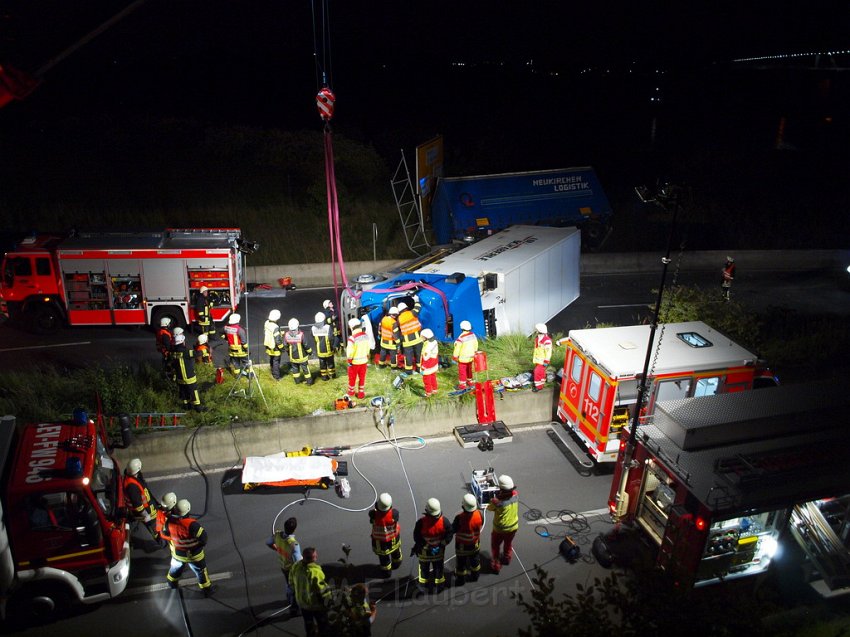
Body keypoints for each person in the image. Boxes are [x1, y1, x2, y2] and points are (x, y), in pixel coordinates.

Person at [165, 499, 214, 596]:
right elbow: (203, 539)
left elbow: (166, 534)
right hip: (194, 555)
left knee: (174, 569)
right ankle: (206, 590)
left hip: (178, 555)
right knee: (201, 572)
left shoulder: (169, 522)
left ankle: (172, 583)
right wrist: (196, 547)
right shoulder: (192, 525)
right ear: (188, 510)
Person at [412, 498, 453, 593]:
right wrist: (442, 544)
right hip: (438, 552)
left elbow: (416, 536)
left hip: (424, 552)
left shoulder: (421, 523)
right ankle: (439, 586)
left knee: (424, 570)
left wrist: (423, 545)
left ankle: (424, 585)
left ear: (427, 510)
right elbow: (450, 533)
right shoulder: (444, 521)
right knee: (438, 569)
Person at [290, 546, 332, 636]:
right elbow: (323, 590)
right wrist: (329, 601)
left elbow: (291, 582)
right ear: (314, 558)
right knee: (323, 625)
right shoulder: (315, 572)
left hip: (302, 603)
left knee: (308, 624)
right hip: (316, 605)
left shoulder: (296, 566)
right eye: (316, 555)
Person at [266, 517, 302, 617]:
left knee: (288, 584)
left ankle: (288, 597)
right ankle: (294, 608)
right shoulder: (293, 544)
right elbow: (298, 561)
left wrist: (277, 549)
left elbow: (268, 543)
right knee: (294, 587)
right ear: (294, 529)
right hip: (291, 569)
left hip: (283, 566)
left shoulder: (277, 534)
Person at [487, 475, 519, 574]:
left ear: (501, 489)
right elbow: (508, 494)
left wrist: (494, 499)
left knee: (495, 546)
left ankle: (496, 565)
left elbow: (489, 508)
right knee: (508, 543)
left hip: (500, 529)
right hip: (513, 527)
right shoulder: (516, 495)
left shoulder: (497, 502)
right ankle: (506, 558)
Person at [124, 458, 160, 543]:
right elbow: (138, 505)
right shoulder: (132, 486)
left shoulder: (134, 476)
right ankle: (160, 540)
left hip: (149, 505)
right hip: (146, 511)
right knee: (153, 527)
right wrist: (145, 515)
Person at [369, 492, 402, 574]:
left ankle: (386, 571)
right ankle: (397, 563)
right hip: (393, 539)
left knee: (384, 558)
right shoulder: (394, 514)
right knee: (396, 553)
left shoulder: (373, 514)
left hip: (380, 542)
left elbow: (371, 517)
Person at [173, 331, 205, 412]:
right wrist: (204, 351)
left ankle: (187, 406)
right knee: (193, 391)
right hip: (189, 376)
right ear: (182, 342)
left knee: (183, 392)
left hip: (180, 378)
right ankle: (198, 407)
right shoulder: (186, 352)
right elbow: (197, 354)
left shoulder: (174, 353)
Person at [397, 297, 423, 372]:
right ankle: (419, 369)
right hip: (417, 339)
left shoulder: (399, 319)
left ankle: (408, 371)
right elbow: (418, 307)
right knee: (419, 355)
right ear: (406, 308)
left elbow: (397, 330)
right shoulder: (412, 313)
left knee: (408, 357)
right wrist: (416, 300)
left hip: (407, 342)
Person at [284, 318, 314, 385]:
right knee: (306, 370)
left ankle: (297, 382)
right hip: (302, 357)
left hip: (293, 357)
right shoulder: (301, 335)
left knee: (295, 370)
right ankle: (309, 382)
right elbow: (306, 345)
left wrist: (289, 353)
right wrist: (310, 352)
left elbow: (285, 346)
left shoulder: (287, 335)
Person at [346, 317, 370, 399]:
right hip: (364, 362)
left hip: (354, 363)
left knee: (352, 378)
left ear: (352, 327)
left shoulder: (352, 338)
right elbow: (368, 348)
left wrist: (349, 360)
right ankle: (361, 393)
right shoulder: (366, 336)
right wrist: (367, 355)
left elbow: (350, 352)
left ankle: (351, 392)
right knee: (362, 378)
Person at [452, 320, 478, 390]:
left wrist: (455, 356)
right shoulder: (473, 335)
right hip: (471, 357)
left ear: (461, 328)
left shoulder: (461, 337)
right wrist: (474, 352)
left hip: (463, 358)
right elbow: (476, 344)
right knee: (469, 369)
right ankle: (470, 381)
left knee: (462, 371)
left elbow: (457, 348)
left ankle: (462, 385)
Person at [312, 312, 337, 380]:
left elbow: (313, 338)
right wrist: (333, 347)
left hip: (319, 350)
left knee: (322, 364)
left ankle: (324, 377)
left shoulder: (313, 328)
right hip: (328, 350)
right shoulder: (327, 327)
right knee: (330, 363)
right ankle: (332, 375)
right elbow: (331, 338)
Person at [264, 309, 285, 381]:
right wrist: (282, 348)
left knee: (272, 359)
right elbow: (278, 341)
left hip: (268, 345)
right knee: (276, 361)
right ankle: (277, 377)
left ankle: (272, 371)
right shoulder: (275, 327)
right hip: (275, 347)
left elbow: (269, 333)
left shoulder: (266, 323)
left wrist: (279, 333)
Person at [532, 323, 553, 392]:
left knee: (537, 372)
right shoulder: (538, 338)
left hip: (542, 360)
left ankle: (539, 386)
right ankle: (541, 382)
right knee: (540, 372)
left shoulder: (547, 341)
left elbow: (548, 352)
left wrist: (546, 361)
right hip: (538, 359)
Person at [420, 328, 440, 397]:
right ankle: (434, 389)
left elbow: (426, 358)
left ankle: (428, 392)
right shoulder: (434, 342)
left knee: (426, 379)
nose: (421, 338)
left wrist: (423, 367)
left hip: (428, 366)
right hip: (434, 363)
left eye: (422, 336)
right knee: (433, 376)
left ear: (426, 337)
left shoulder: (427, 347)